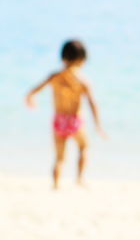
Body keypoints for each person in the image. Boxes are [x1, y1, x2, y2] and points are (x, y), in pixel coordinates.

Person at [24, 40, 105, 188]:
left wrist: (30, 99)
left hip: (59, 121)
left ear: (63, 57)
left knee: (59, 157)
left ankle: (55, 184)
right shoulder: (82, 80)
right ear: (82, 59)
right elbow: (92, 104)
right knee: (83, 147)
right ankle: (79, 179)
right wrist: (98, 125)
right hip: (75, 121)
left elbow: (33, 91)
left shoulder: (54, 76)